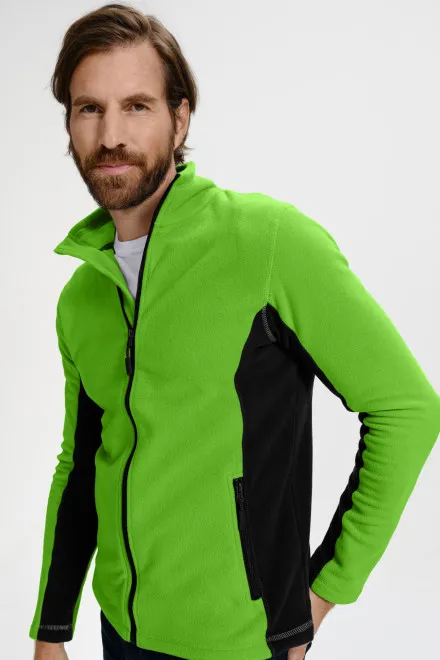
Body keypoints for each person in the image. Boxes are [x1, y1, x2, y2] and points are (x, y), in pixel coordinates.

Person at [29, 4, 440, 660]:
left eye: (136, 106)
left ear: (180, 118)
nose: (110, 134)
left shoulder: (268, 244)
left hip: (238, 643)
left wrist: (321, 594)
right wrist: (52, 628)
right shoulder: (83, 297)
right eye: (89, 109)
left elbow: (408, 409)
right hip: (120, 632)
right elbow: (80, 465)